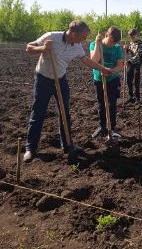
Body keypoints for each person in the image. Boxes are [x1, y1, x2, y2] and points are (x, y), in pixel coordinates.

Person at [24, 20, 111, 162]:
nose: (84, 39)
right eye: (83, 36)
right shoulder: (51, 36)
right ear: (74, 33)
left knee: (65, 112)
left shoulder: (77, 46)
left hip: (60, 79)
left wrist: (103, 69)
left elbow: (86, 60)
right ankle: (30, 148)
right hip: (43, 79)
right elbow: (28, 48)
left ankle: (67, 146)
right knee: (38, 112)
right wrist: (43, 49)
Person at [90, 27, 124, 140]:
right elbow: (94, 61)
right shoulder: (95, 44)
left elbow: (120, 65)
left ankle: (112, 128)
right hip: (99, 79)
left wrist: (111, 71)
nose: (112, 44)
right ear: (106, 35)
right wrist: (97, 44)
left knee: (112, 104)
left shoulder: (117, 48)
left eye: (114, 42)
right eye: (111, 41)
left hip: (113, 79)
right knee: (101, 103)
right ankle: (102, 127)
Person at [124, 28, 142, 105]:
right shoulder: (131, 43)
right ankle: (131, 96)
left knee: (136, 81)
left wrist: (128, 61)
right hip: (130, 64)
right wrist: (127, 49)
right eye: (130, 37)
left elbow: (138, 56)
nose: (131, 39)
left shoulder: (140, 44)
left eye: (133, 37)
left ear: (136, 35)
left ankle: (137, 98)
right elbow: (131, 52)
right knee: (129, 80)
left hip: (137, 65)